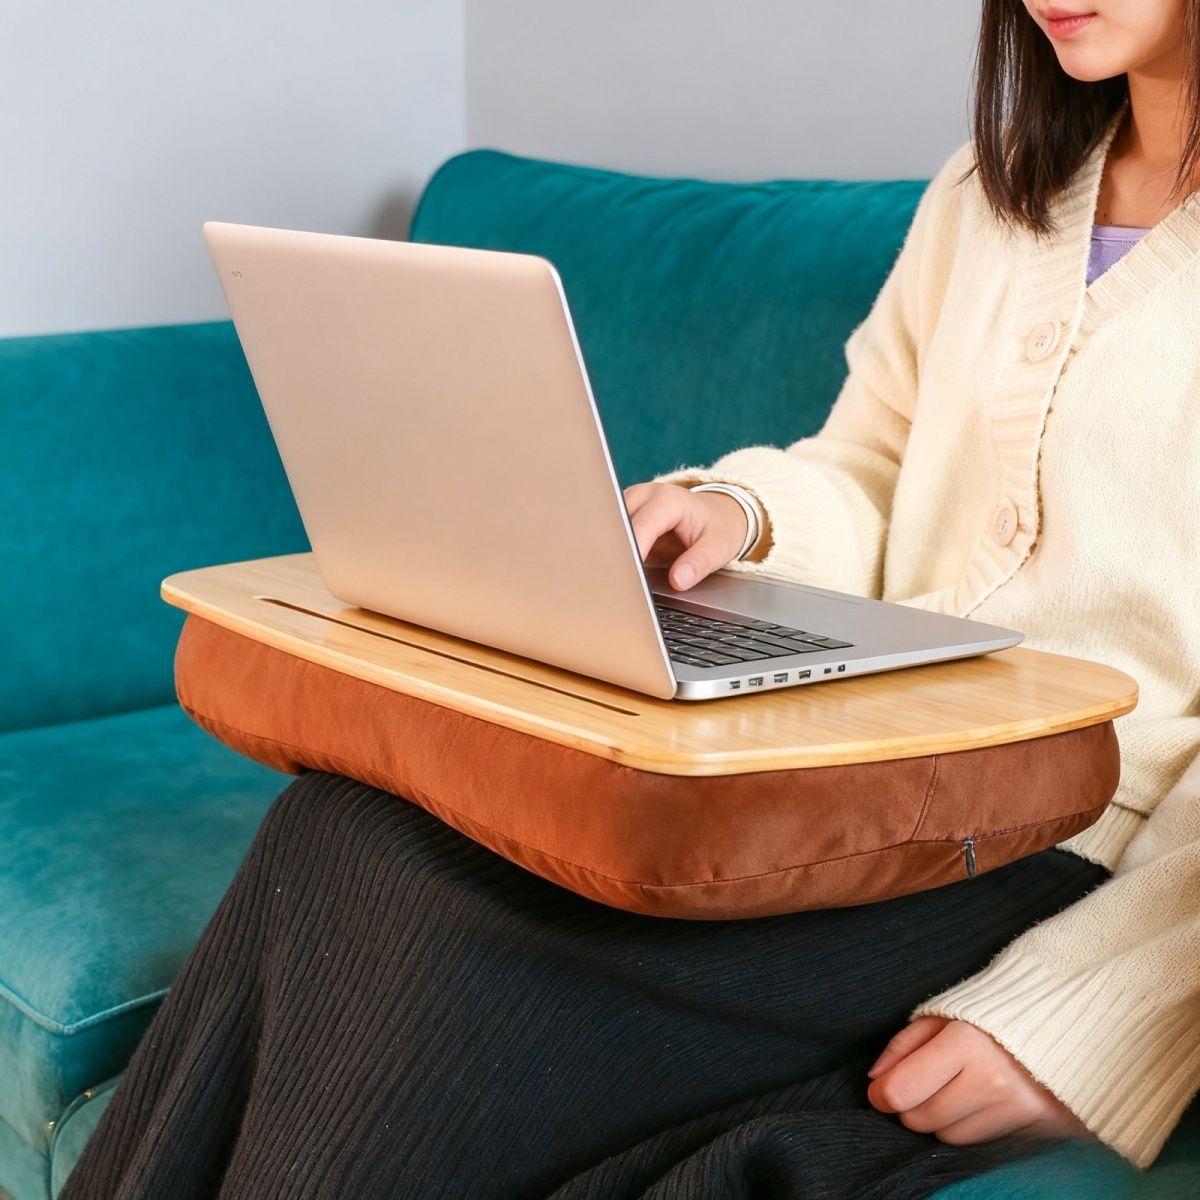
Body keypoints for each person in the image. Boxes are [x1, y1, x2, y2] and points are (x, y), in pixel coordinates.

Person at [61, 1, 1199, 1197]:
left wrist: (1090, 1016)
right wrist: (737, 515)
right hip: (873, 782)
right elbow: (873, 460)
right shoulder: (987, 193)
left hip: (1073, 846)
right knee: (333, 835)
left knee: (431, 940)